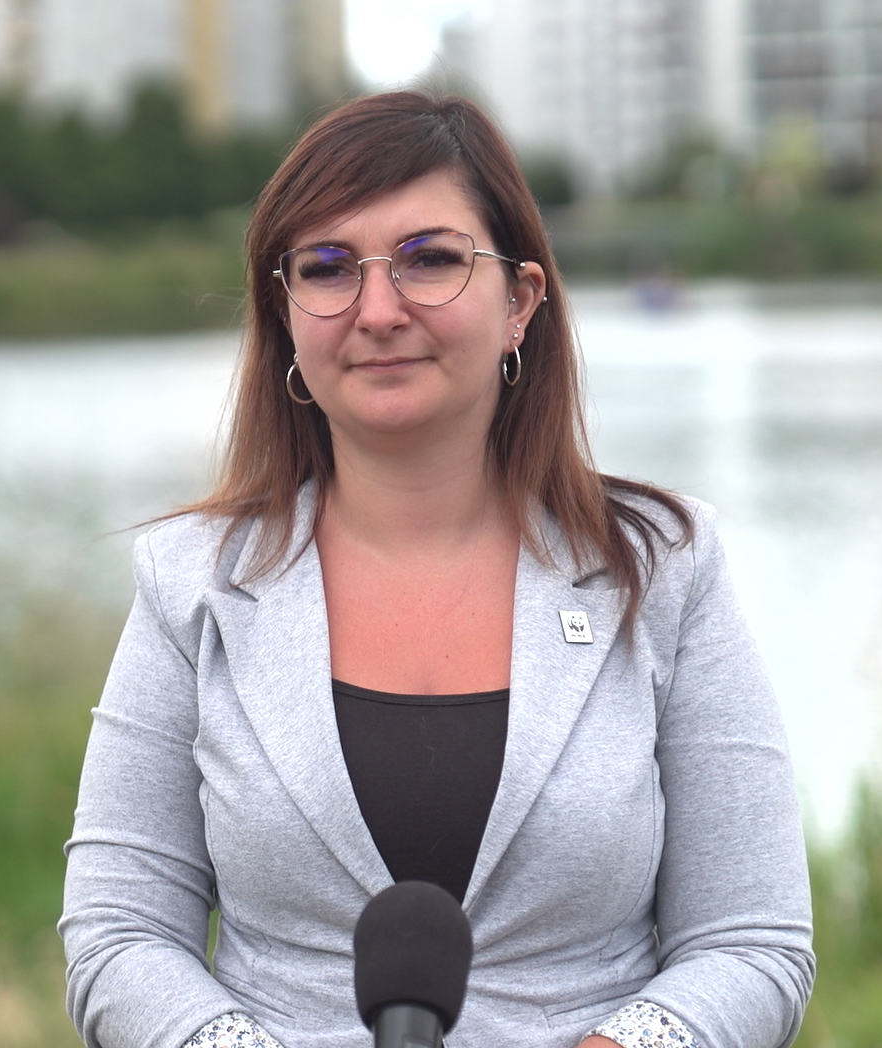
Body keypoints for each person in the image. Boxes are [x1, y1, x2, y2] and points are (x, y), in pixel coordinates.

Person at [60, 93, 813, 1048]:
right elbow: (119, 934)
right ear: (285, 315)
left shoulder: (662, 567)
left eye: (430, 259)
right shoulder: (191, 584)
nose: (378, 310)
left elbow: (752, 943)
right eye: (327, 268)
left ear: (520, 302)